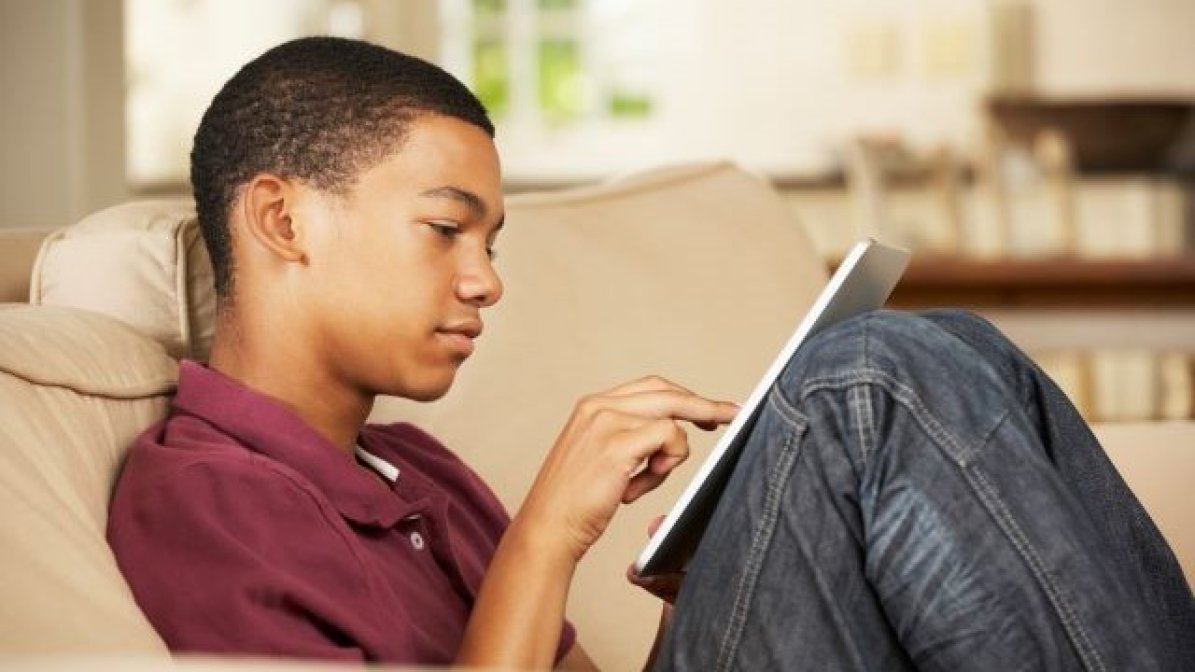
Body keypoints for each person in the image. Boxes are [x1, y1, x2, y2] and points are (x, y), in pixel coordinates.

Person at [106, 36, 1193, 671]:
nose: (485, 278)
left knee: (950, 349)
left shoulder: (415, 472)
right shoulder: (203, 499)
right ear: (283, 220)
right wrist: (548, 532)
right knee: (859, 383)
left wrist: (734, 567)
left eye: (491, 242)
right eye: (445, 228)